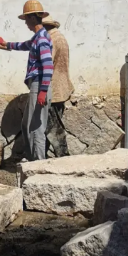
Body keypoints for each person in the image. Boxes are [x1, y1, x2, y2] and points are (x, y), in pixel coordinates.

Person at [0, 0, 53, 161]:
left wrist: (43, 91)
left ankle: (39, 165)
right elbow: (24, 45)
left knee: (36, 127)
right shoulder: (37, 38)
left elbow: (48, 66)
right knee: (27, 125)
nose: (25, 22)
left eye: (26, 19)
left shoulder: (41, 39)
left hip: (39, 84)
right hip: (36, 85)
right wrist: (6, 44)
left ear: (33, 18)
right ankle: (33, 159)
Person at [42, 17, 73, 157]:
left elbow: (46, 66)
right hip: (60, 87)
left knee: (54, 129)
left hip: (52, 89)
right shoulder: (59, 37)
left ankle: (63, 158)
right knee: (51, 126)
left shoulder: (50, 39)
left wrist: (41, 90)